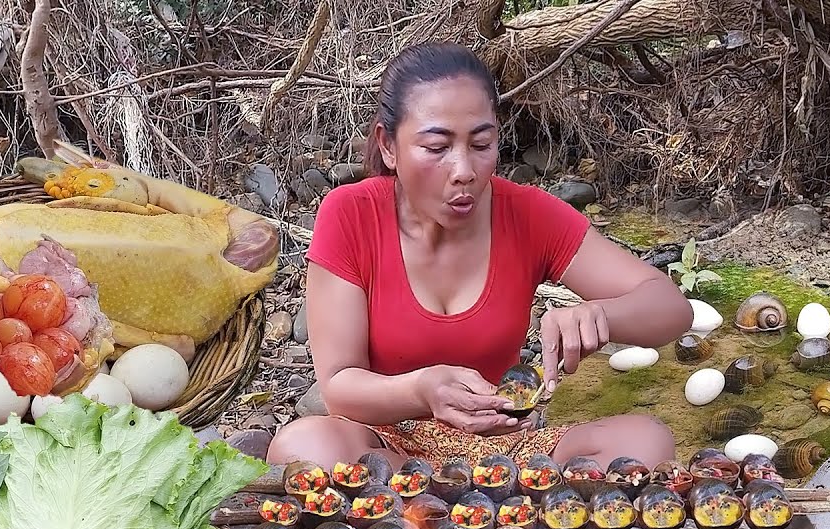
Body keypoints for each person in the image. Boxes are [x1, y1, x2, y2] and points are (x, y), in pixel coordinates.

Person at [266, 42, 693, 474]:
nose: (464, 171)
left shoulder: (528, 215)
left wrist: (600, 316)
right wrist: (421, 390)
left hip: (504, 451)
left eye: (481, 144)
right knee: (304, 444)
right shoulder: (351, 214)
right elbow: (339, 385)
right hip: (390, 443)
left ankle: (460, 502)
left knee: (645, 440)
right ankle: (454, 502)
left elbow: (670, 307)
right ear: (388, 145)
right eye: (437, 147)